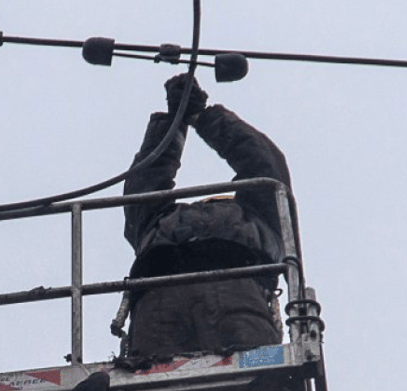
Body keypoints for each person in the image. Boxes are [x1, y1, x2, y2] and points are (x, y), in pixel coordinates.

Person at [121, 74, 292, 359]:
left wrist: (200, 116)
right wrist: (176, 121)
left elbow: (262, 162)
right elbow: (145, 180)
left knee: (252, 375)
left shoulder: (260, 216)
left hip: (227, 291)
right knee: (154, 384)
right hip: (165, 295)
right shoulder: (157, 221)